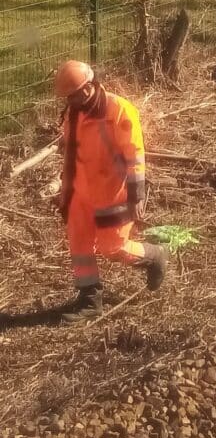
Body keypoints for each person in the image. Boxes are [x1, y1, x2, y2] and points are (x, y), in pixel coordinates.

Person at [54, 60, 168, 322]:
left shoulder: (118, 110)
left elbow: (135, 153)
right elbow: (71, 155)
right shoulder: (74, 112)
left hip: (111, 193)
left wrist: (136, 191)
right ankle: (90, 300)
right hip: (80, 193)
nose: (69, 101)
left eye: (72, 95)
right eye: (67, 97)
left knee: (114, 248)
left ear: (88, 87)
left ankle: (155, 256)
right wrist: (66, 193)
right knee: (79, 245)